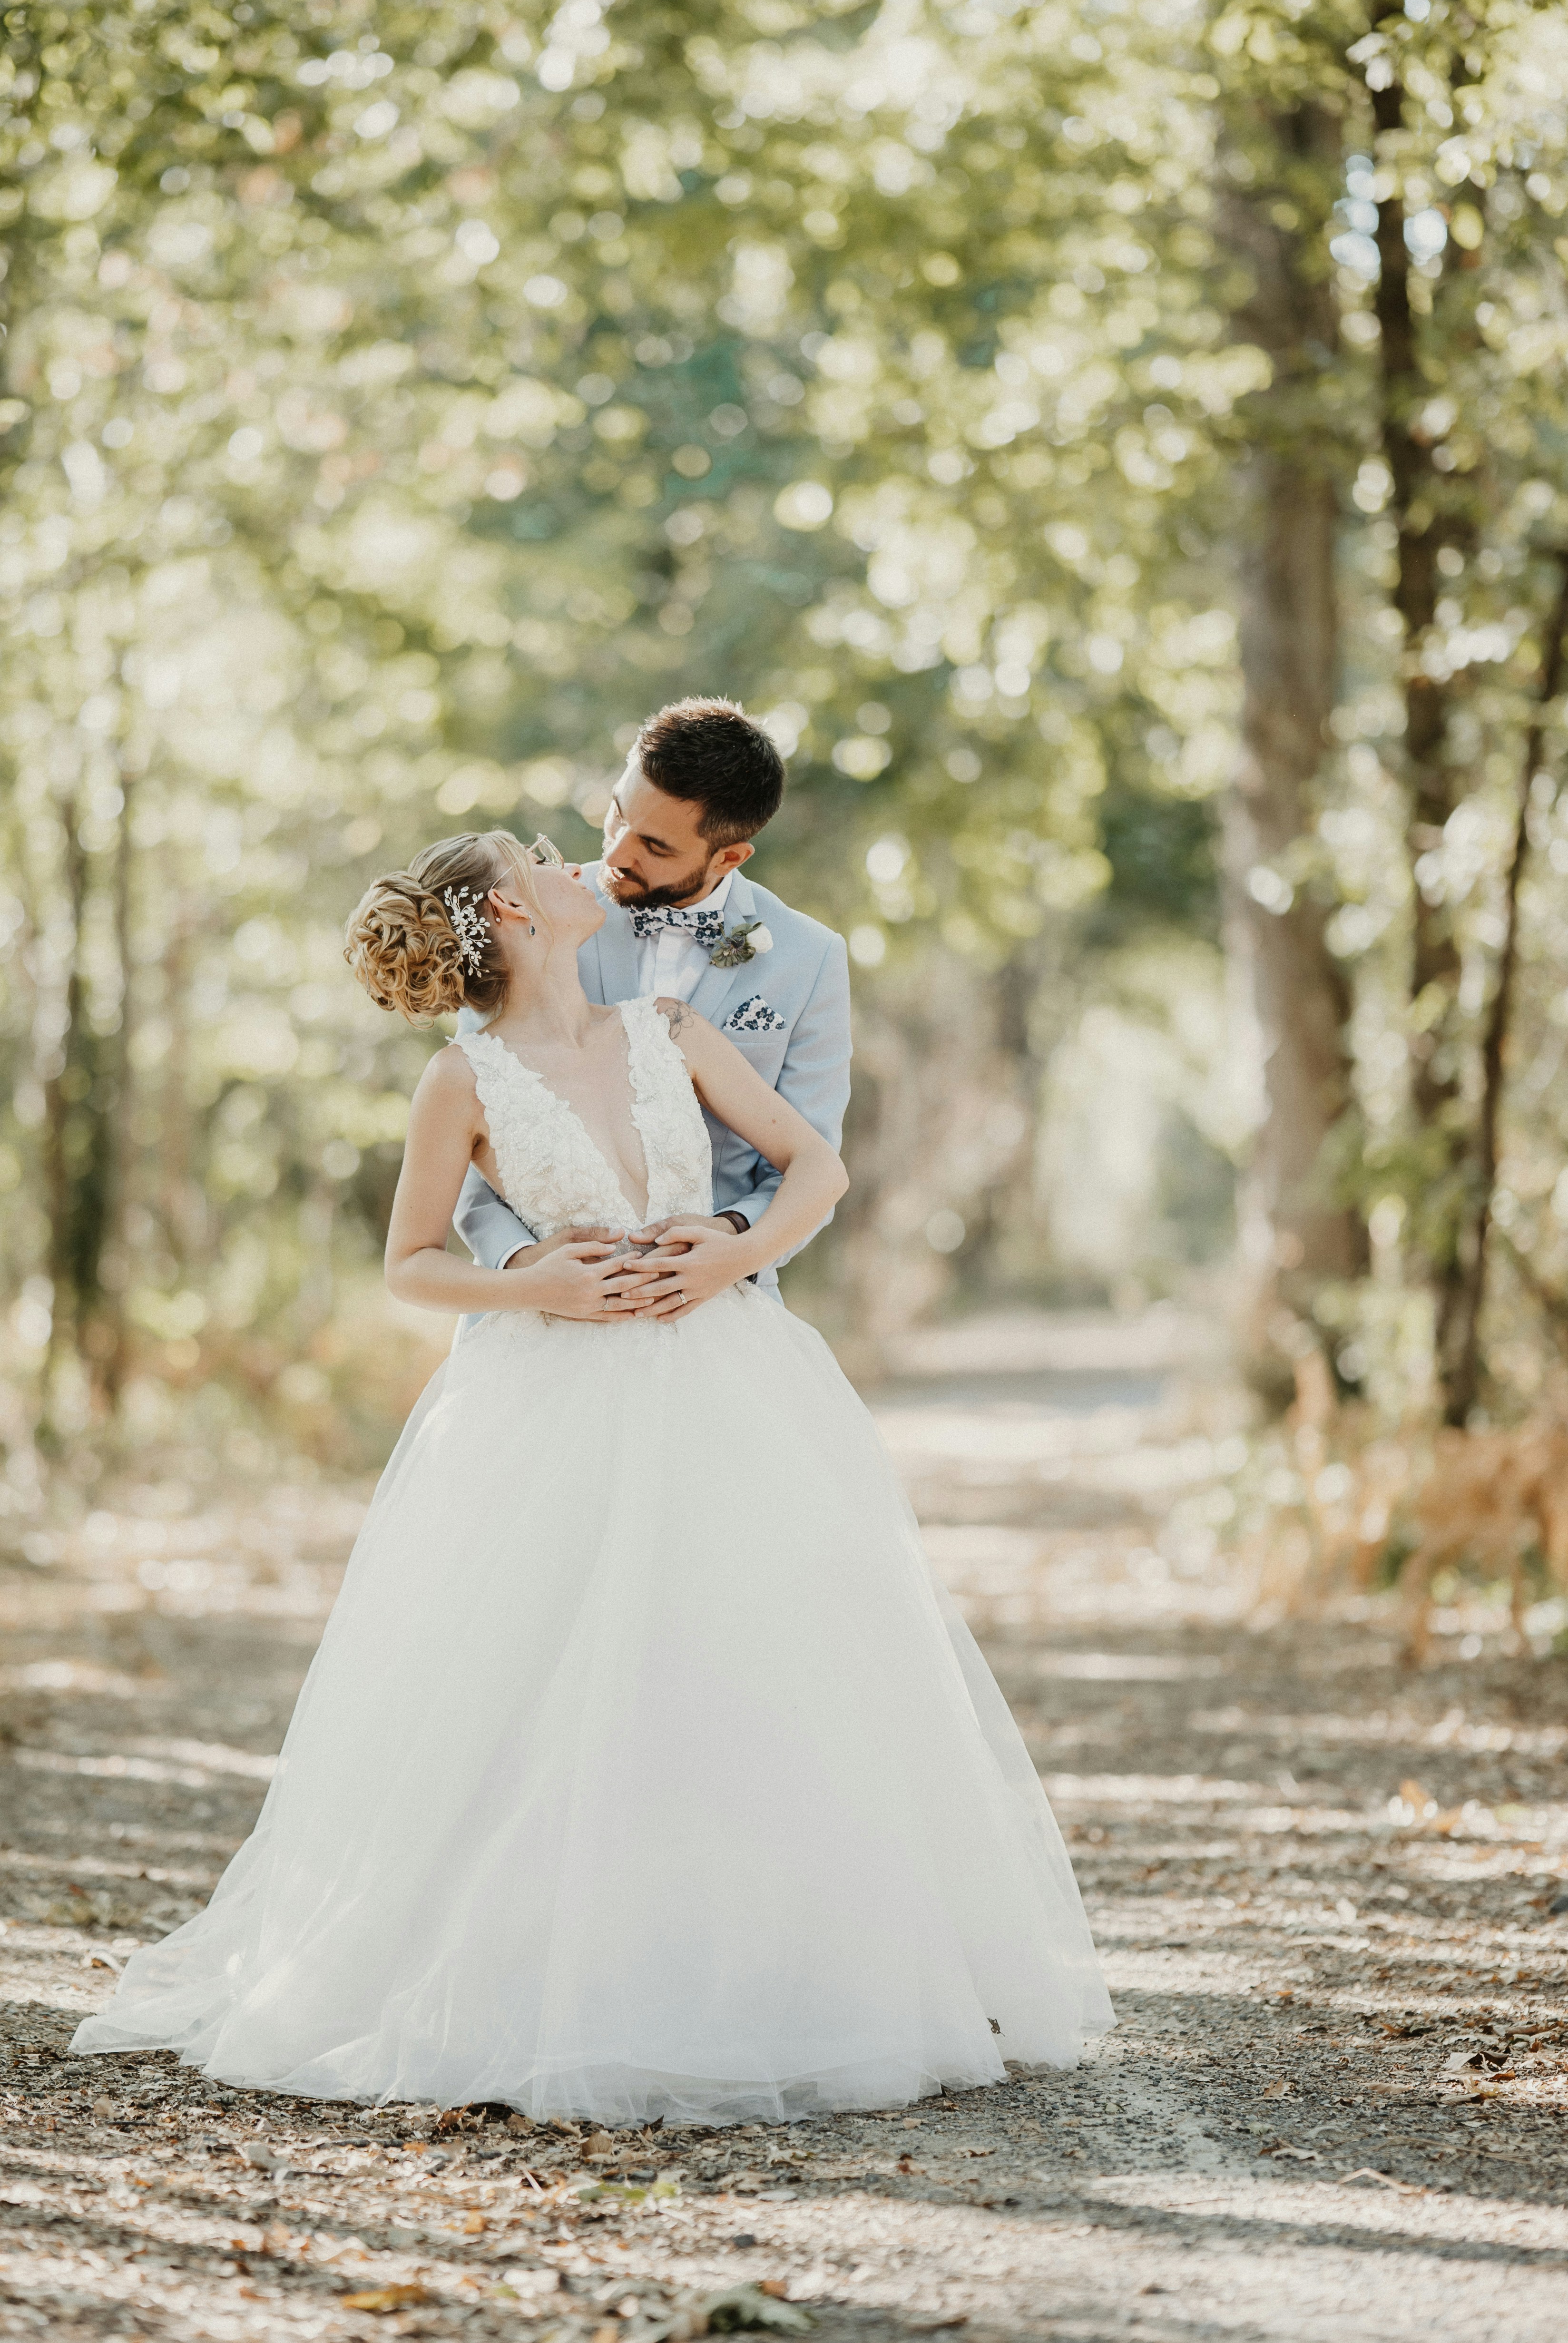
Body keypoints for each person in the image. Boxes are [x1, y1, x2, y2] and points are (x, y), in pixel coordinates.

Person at [73, 770, 1111, 2125]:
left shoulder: (668, 1025)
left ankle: (771, 1963)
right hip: (550, 1395)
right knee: (549, 1679)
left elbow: (819, 1170)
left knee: (756, 1661)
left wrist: (735, 1253)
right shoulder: (463, 1079)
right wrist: (534, 1289)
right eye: (552, 856)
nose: (587, 865)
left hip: (728, 1374)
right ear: (513, 908)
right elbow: (411, 1262)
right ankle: (555, 1978)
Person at [455, 697, 853, 1318]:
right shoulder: (539, 916)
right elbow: (477, 1123)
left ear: (729, 857)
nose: (614, 855)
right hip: (545, 1318)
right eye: (617, 816)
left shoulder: (809, 958)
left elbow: (812, 1159)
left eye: (655, 847)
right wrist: (527, 1269)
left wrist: (735, 1245)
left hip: (720, 1309)